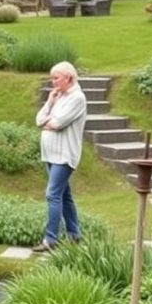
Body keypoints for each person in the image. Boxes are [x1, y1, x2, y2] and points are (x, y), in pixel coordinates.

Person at [33, 61, 88, 252]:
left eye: (56, 78)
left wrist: (50, 122)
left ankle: (50, 239)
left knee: (53, 194)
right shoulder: (59, 96)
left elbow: (58, 124)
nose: (53, 81)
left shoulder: (77, 98)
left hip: (64, 155)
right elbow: (39, 119)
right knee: (65, 195)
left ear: (69, 78)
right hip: (50, 154)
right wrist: (50, 102)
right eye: (52, 77)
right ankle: (74, 234)